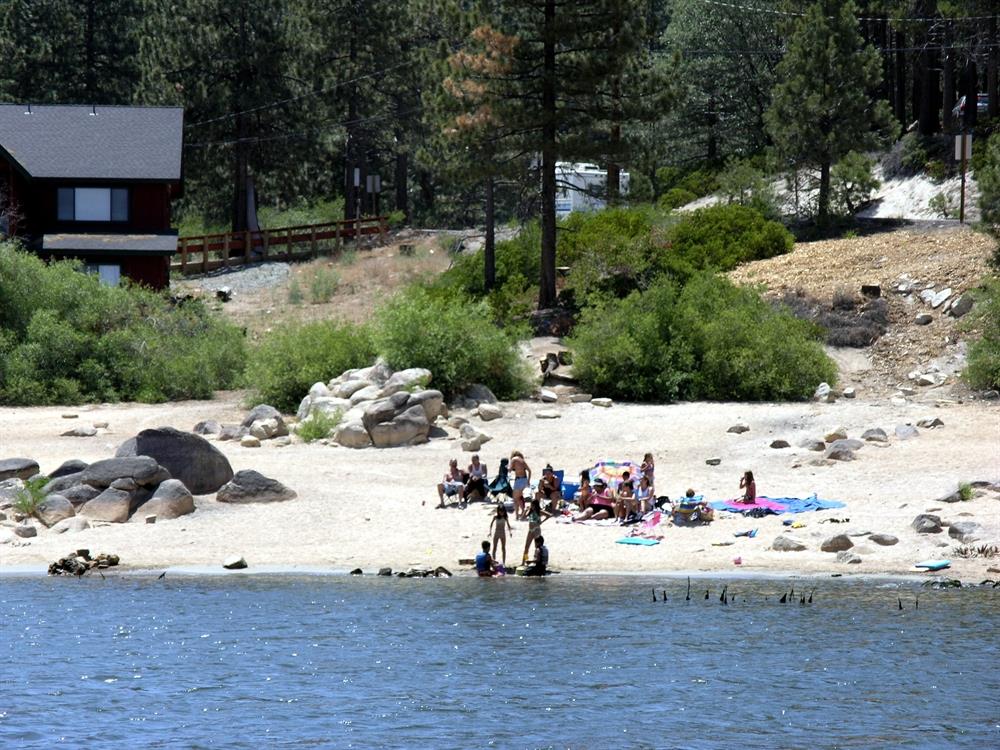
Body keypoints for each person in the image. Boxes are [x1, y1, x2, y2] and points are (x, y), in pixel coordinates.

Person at [522, 497, 551, 563]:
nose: (532, 506)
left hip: (536, 530)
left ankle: (537, 560)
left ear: (536, 505)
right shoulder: (530, 512)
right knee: (526, 547)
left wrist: (541, 522)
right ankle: (524, 561)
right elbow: (523, 518)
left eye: (533, 505)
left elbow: (549, 515)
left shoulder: (539, 511)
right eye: (531, 505)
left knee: (537, 547)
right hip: (530, 530)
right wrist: (525, 511)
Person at [489, 502, 513, 567]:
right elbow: (491, 524)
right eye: (500, 511)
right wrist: (490, 532)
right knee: (494, 547)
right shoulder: (495, 517)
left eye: (502, 511)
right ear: (498, 511)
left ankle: (504, 562)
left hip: (503, 533)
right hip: (496, 533)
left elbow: (508, 525)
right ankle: (494, 562)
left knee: (503, 548)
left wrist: (510, 532)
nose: (501, 513)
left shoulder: (505, 517)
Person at [510, 451, 532, 520]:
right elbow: (529, 471)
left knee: (515, 499)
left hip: (519, 480)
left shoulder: (514, 459)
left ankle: (518, 515)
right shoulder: (522, 461)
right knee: (519, 498)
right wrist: (528, 481)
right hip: (524, 480)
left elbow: (509, 469)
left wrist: (506, 467)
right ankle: (522, 512)